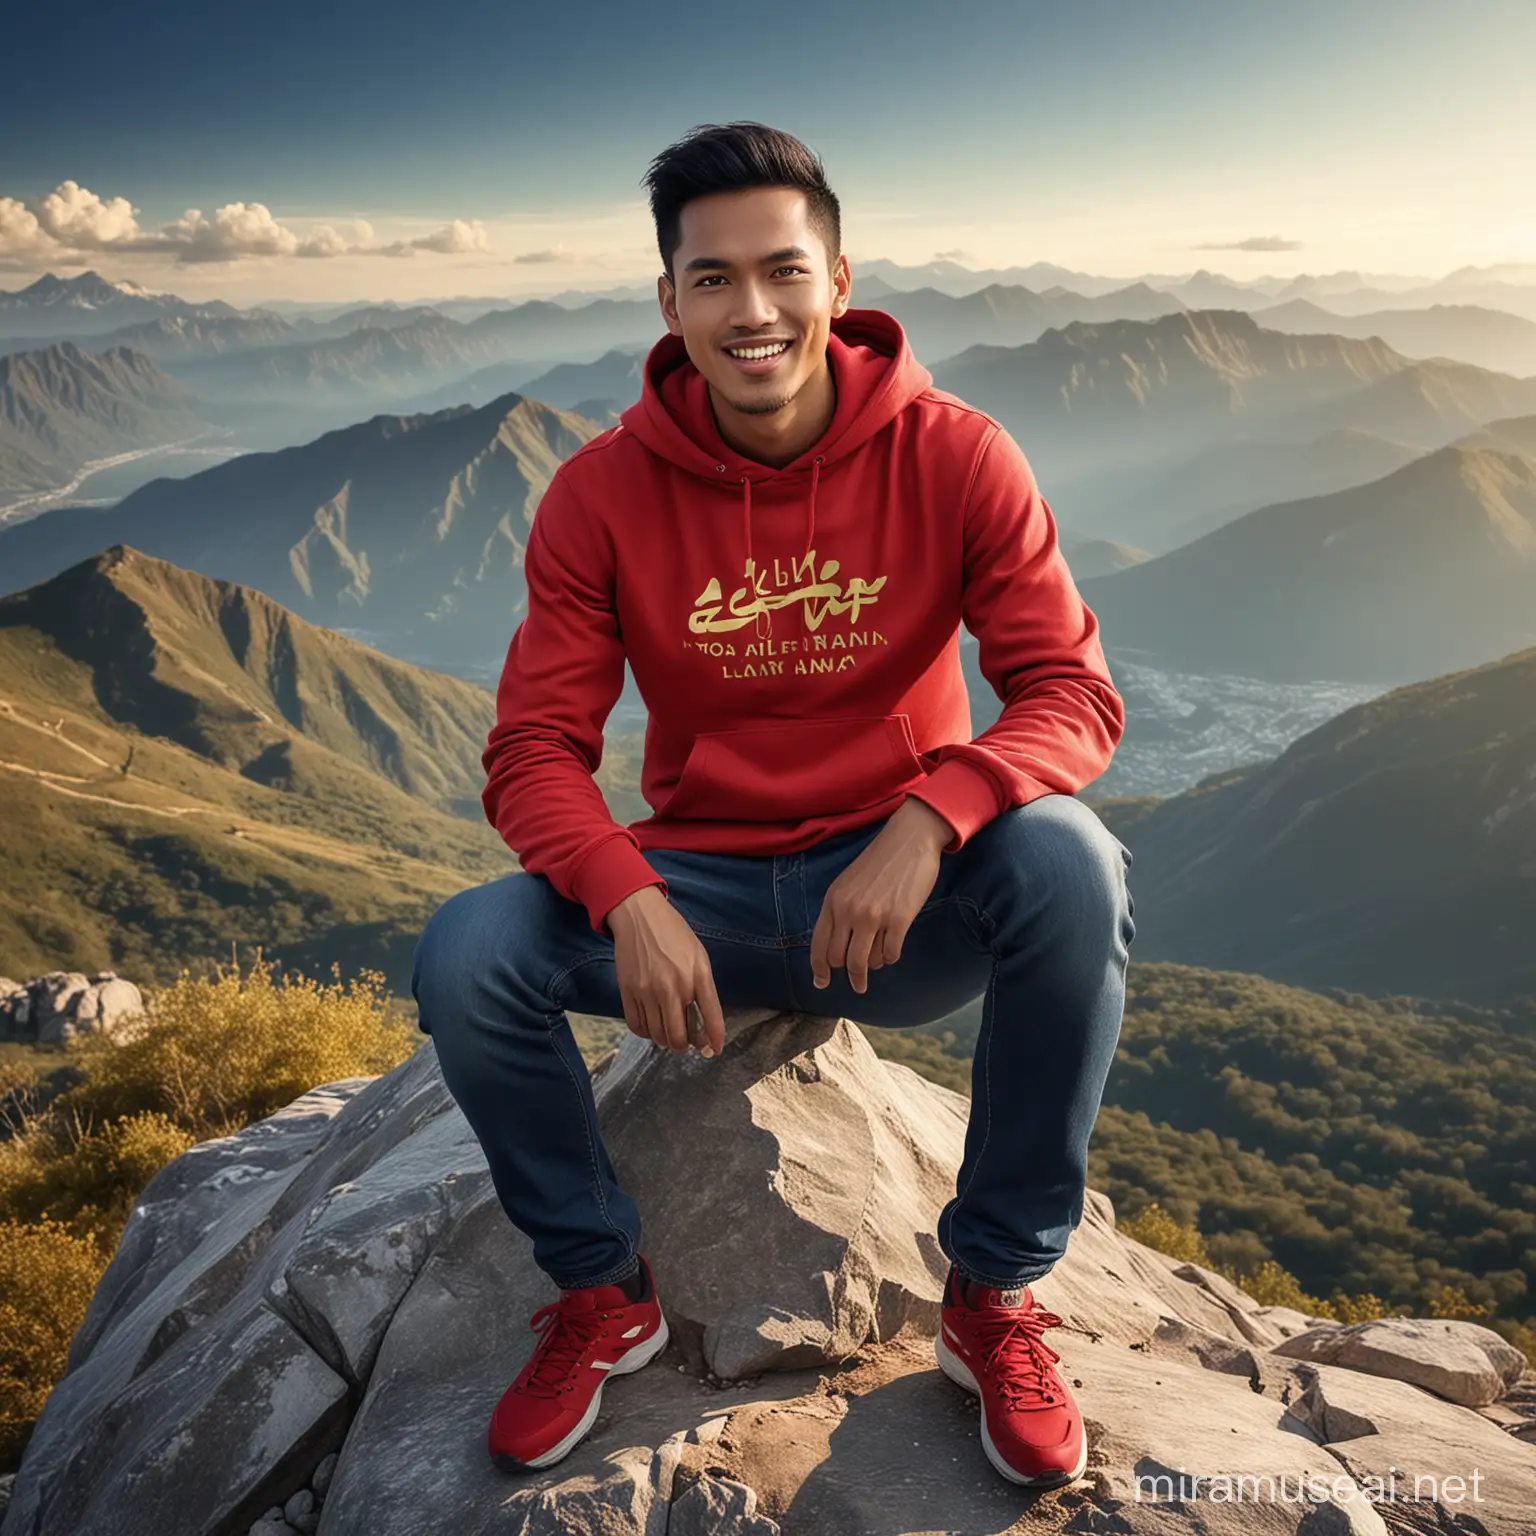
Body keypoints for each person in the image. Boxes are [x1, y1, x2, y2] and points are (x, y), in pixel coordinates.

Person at [411, 120, 1135, 1490]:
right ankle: (597, 1293)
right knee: (469, 951)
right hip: (707, 899)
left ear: (840, 280)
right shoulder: (600, 496)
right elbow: (532, 751)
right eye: (713, 280)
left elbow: (1073, 696)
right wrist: (626, 895)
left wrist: (929, 823)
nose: (753, 311)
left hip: (905, 904)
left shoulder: (958, 456)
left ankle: (990, 1299)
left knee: (1074, 868)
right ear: (670, 302)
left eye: (782, 271)